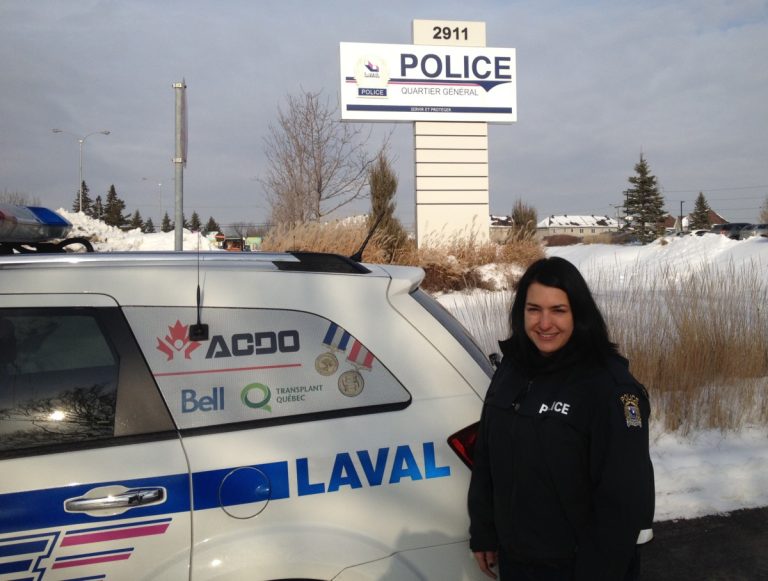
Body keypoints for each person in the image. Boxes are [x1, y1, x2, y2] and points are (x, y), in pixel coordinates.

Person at [468, 257, 654, 580]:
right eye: (534, 309)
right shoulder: (512, 370)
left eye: (558, 310)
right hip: (518, 563)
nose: (544, 323)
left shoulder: (607, 386)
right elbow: (487, 457)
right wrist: (484, 530)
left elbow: (624, 503)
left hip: (578, 568)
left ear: (579, 314)